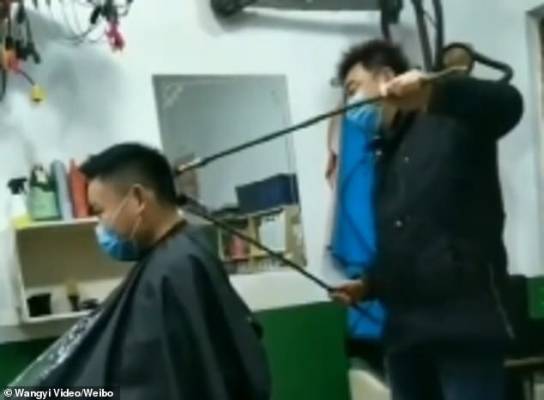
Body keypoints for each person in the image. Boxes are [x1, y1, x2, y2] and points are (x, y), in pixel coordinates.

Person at [331, 39, 523, 400]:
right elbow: (406, 238)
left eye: (353, 89)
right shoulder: (385, 153)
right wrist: (368, 285)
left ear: (386, 77)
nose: (350, 103)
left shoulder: (450, 117)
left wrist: (434, 92)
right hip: (406, 334)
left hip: (463, 324)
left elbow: (509, 104)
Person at [18, 143, 271, 400]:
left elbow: (150, 385)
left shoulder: (173, 269)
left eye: (100, 211)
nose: (100, 225)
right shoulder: (179, 253)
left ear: (138, 199)